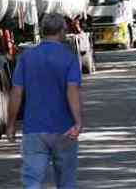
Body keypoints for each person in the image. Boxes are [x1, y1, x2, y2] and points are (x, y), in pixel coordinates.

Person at [6, 13, 83, 189]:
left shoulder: (26, 57)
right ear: (62, 31)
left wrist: (10, 125)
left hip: (34, 129)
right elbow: (72, 91)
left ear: (42, 31)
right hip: (64, 128)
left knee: (32, 180)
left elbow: (16, 92)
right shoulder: (68, 58)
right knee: (66, 181)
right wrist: (78, 122)